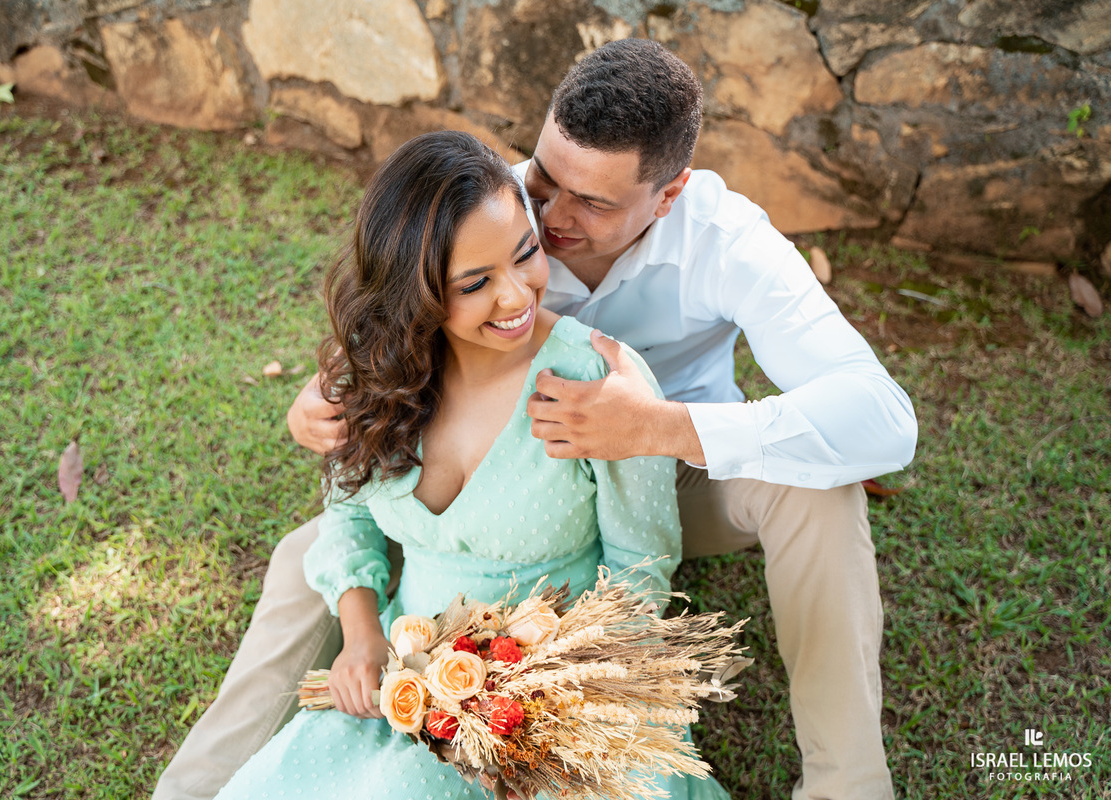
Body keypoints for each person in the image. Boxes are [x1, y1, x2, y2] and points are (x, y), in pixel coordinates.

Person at [154, 39, 916, 800]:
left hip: (674, 469)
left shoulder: (727, 241)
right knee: (309, 554)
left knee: (819, 489)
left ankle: (848, 786)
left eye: (593, 203)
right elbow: (397, 311)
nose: (550, 218)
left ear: (669, 194)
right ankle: (200, 786)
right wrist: (322, 408)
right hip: (479, 482)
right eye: (545, 180)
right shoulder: (488, 210)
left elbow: (882, 419)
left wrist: (655, 427)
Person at [207, 130, 726, 799]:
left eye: (526, 255)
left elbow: (640, 571)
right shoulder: (379, 372)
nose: (516, 297)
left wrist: (543, 697)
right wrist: (361, 637)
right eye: (476, 282)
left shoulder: (595, 381)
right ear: (413, 293)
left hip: (563, 694)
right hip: (407, 688)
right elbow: (348, 512)